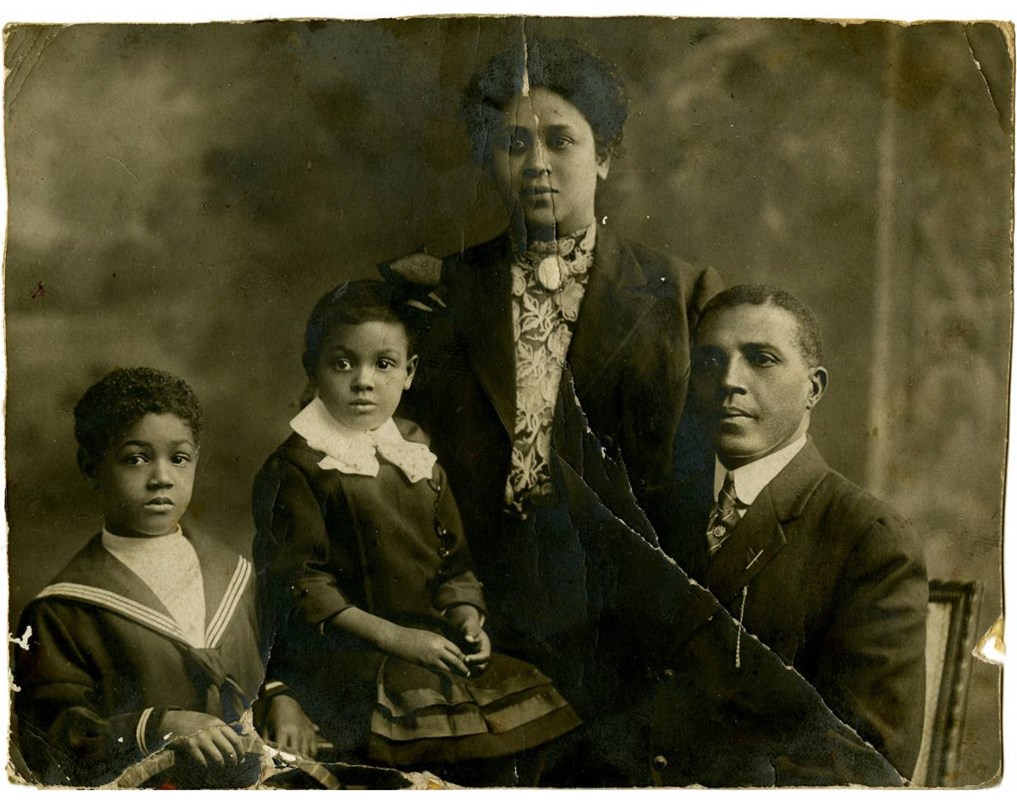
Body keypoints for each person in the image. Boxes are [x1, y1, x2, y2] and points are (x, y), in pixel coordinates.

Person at [381, 35, 722, 716]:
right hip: (473, 615)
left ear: (604, 156)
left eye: (560, 141)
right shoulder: (438, 293)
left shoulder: (682, 297)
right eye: (513, 145)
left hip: (630, 624)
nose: (535, 164)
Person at [251, 280, 581, 785]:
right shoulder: (297, 466)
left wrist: (467, 617)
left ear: (409, 374)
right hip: (346, 658)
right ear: (313, 371)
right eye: (343, 363)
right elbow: (304, 588)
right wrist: (401, 640)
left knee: (525, 721)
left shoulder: (415, 452)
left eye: (383, 364)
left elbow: (453, 564)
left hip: (426, 645)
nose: (364, 381)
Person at [659, 284, 928, 779]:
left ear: (814, 388)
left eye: (761, 359)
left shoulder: (868, 538)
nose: (730, 382)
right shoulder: (662, 511)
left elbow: (868, 764)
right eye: (711, 361)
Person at [12, 368, 264, 788]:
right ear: (91, 469)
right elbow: (49, 743)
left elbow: (272, 670)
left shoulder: (236, 575)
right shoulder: (62, 612)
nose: (161, 477)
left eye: (178, 458)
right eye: (136, 458)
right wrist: (159, 726)